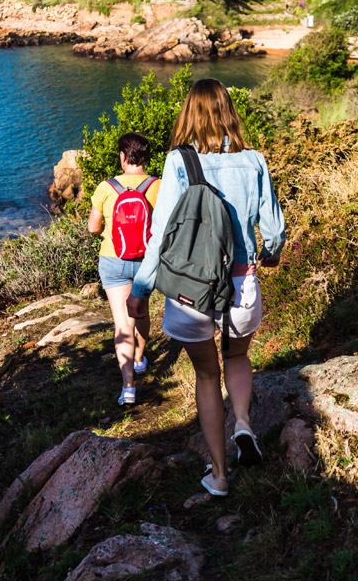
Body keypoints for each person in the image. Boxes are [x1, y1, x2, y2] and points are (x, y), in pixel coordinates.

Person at [127, 79, 286, 496]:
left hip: (191, 290)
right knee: (237, 358)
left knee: (205, 373)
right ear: (229, 112)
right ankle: (245, 425)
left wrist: (141, 289)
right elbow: (274, 229)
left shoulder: (179, 161)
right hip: (242, 285)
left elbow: (161, 232)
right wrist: (269, 254)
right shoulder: (254, 160)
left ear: (189, 114)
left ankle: (218, 475)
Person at [88, 132, 160, 406]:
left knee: (122, 324)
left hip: (113, 260)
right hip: (146, 260)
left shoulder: (106, 187)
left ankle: (128, 388)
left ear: (122, 157)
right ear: (146, 157)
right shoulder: (158, 185)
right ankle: (140, 358)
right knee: (140, 310)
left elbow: (93, 228)